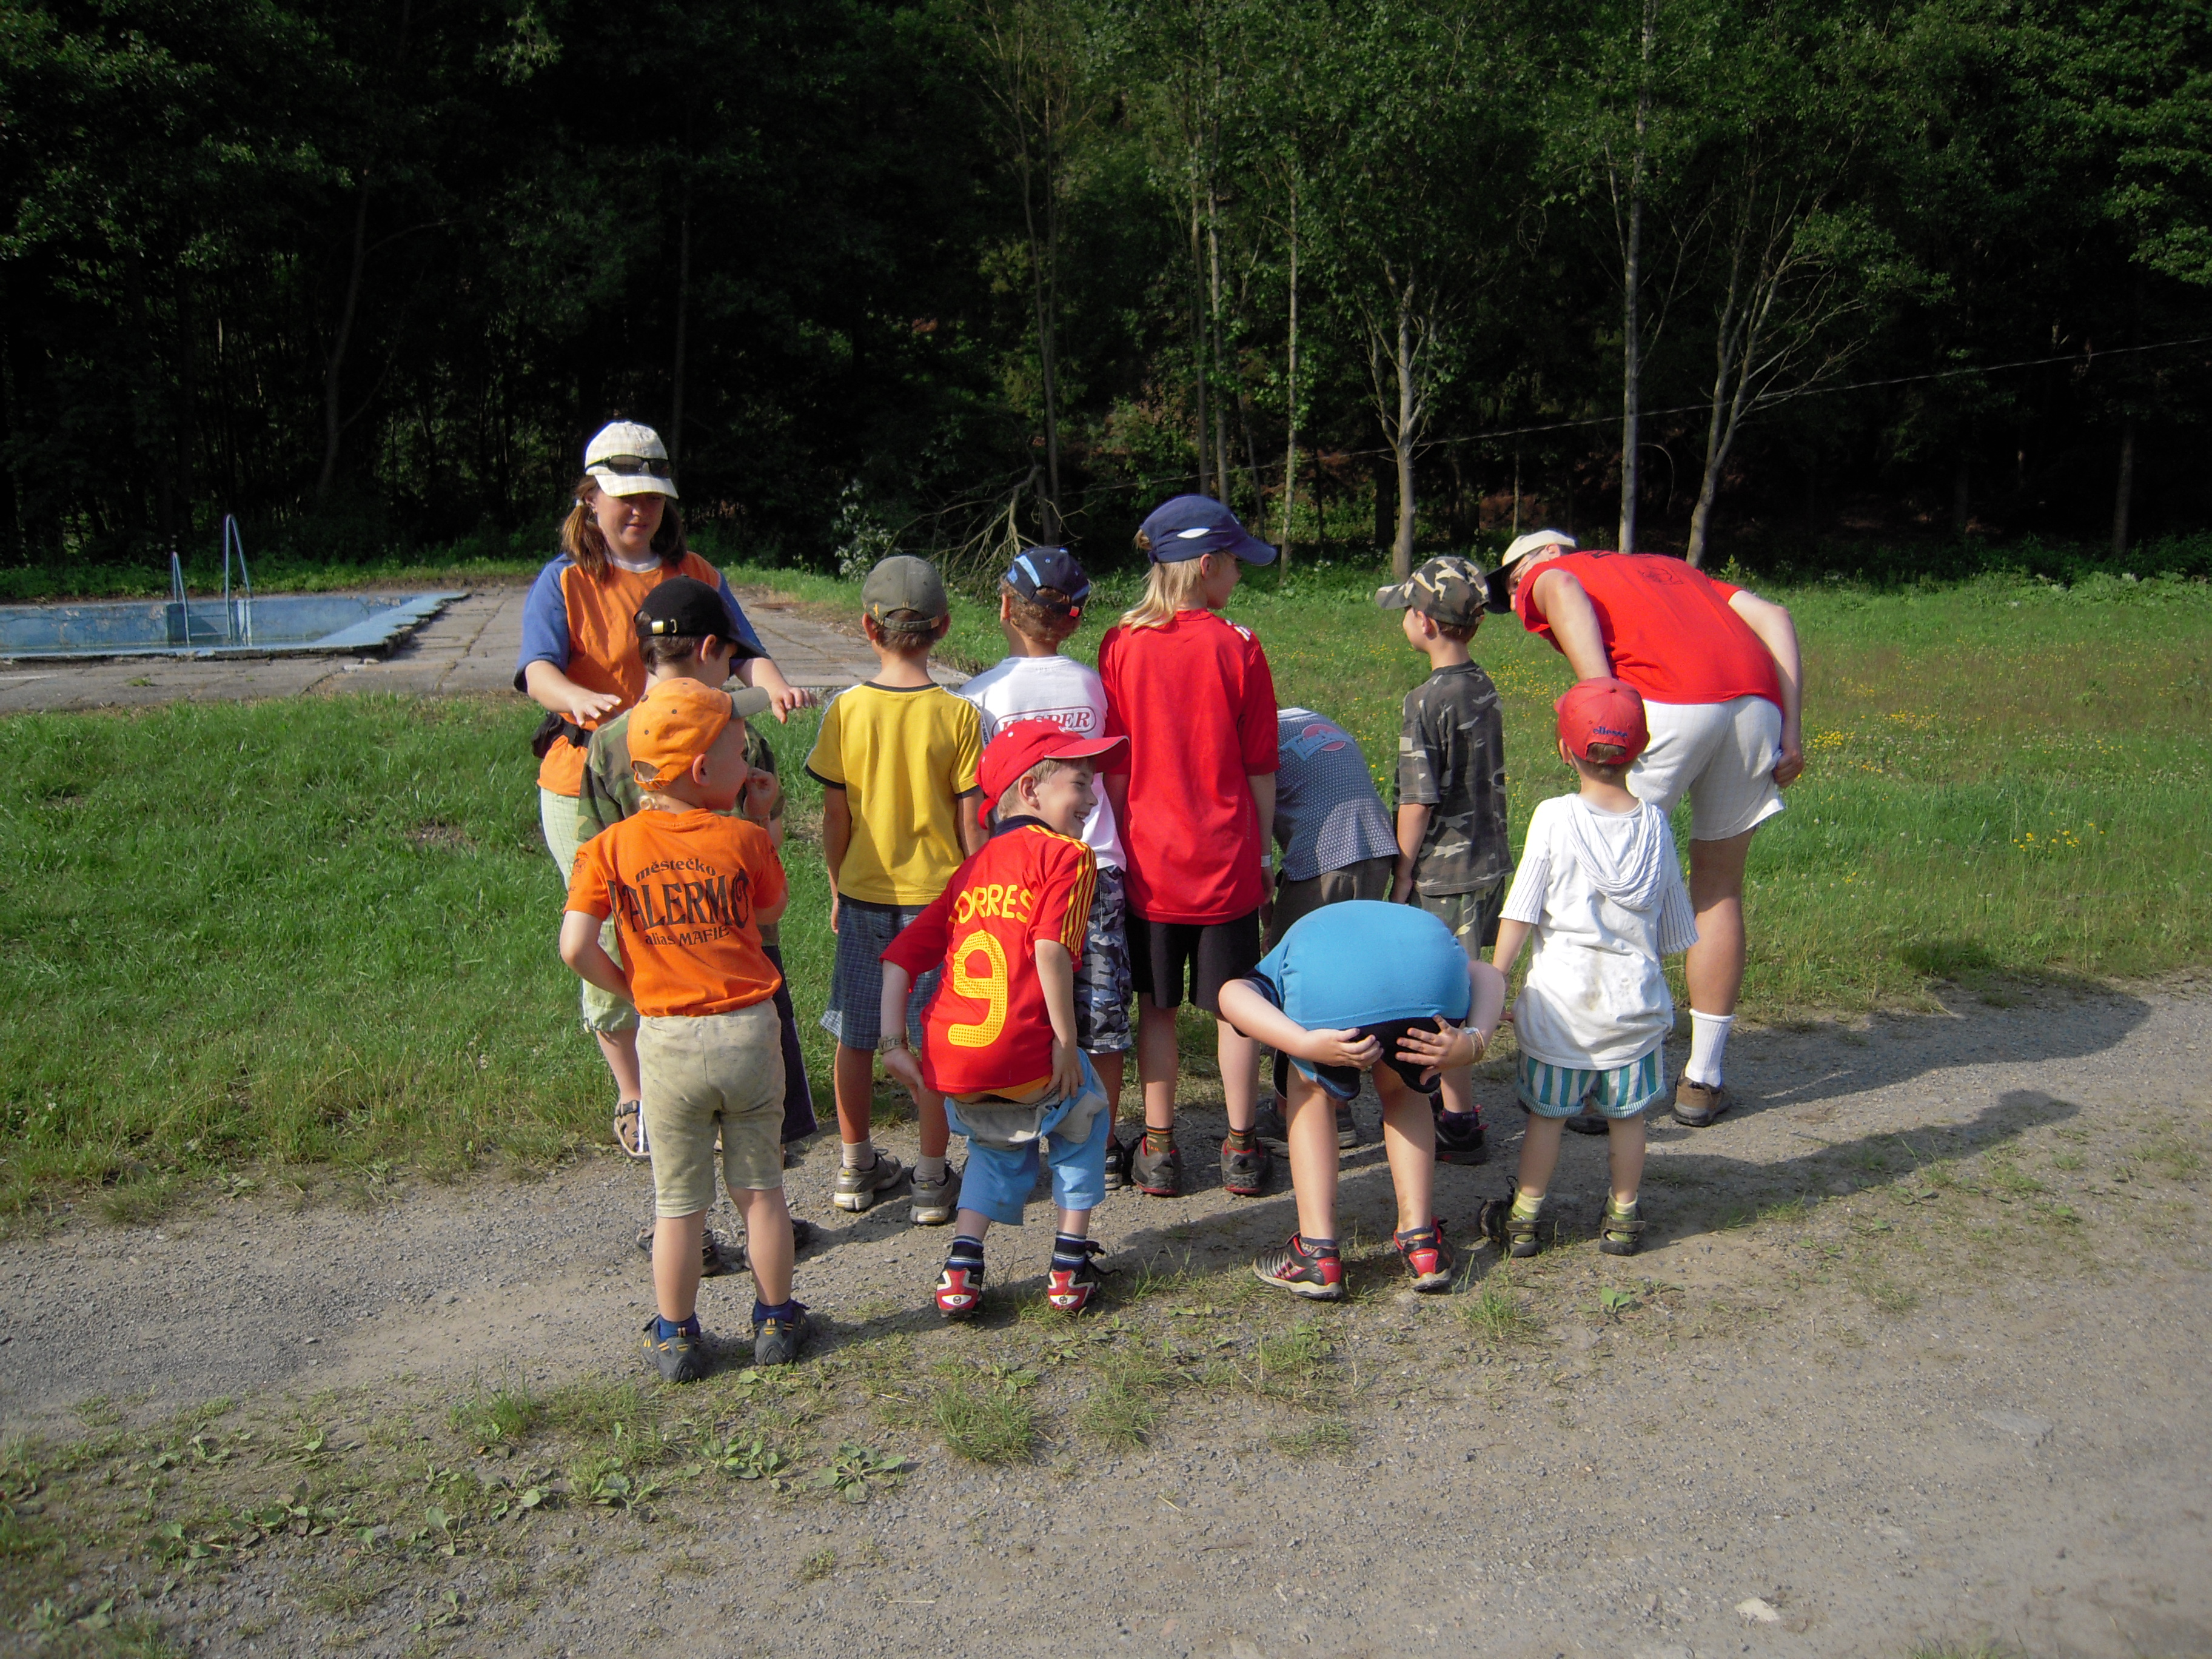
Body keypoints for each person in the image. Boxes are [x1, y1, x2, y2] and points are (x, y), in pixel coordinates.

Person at [518, 420, 809, 1155]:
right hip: (595, 775)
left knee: (698, 920)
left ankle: (713, 1069)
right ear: (590, 498)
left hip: (698, 775)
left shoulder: (695, 570)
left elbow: (741, 649)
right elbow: (537, 668)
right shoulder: (565, 580)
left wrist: (773, 684)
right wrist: (574, 700)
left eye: (651, 496)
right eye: (625, 497)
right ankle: (637, 1092)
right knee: (614, 927)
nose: (640, 510)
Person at [1495, 529, 1802, 1127]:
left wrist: (1606, 701)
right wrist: (1791, 729)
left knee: (1606, 883)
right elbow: (1775, 616)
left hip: (1664, 699)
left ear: (1546, 553)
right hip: (1756, 704)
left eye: (1512, 580)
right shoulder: (1674, 570)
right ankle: (1703, 1079)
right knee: (1719, 888)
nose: (1514, 597)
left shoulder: (1555, 571)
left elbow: (1559, 586)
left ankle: (1594, 1076)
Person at [559, 678, 805, 1377]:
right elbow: (770, 910)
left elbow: (575, 946)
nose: (748, 762)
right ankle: (776, 1322)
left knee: (678, 1204)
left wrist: (633, 988)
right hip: (747, 1031)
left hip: (667, 1040)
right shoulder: (741, 839)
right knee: (761, 1189)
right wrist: (759, 816)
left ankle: (675, 1336)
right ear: (703, 771)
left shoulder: (609, 848)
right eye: (739, 752)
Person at [576, 577, 819, 1275]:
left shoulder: (608, 744)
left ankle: (690, 1236)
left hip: (659, 968)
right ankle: (766, 1228)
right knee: (755, 1121)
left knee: (678, 1131)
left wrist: (629, 981)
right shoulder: (741, 737)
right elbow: (766, 855)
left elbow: (596, 857)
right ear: (714, 649)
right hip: (745, 967)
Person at [879, 719, 1125, 1319]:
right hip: (1022, 1053)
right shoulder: (1068, 854)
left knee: (995, 1146)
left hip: (954, 1063)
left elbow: (899, 957)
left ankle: (961, 1268)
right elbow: (1050, 949)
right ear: (1032, 790)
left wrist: (892, 1044)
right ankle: (1068, 1266)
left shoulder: (974, 868)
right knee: (1085, 1117)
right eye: (1080, 783)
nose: (1093, 798)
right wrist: (1066, 1040)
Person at [1097, 495, 1279, 1201]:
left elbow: (1115, 767)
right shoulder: (1240, 645)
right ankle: (1240, 1147)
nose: (1239, 575)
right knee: (1237, 1007)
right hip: (1226, 863)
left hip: (1149, 865)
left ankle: (1159, 1148)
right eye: (1234, 563)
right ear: (1206, 565)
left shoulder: (1120, 644)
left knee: (1157, 1009)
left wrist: (1119, 847)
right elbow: (1261, 766)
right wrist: (1262, 856)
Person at [1485, 679, 1699, 1261]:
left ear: (1564, 749)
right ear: (1641, 749)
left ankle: (1524, 1220)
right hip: (1633, 1009)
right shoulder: (1655, 824)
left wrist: (1497, 977)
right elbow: (1675, 925)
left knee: (1546, 1119)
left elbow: (1523, 907)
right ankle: (1623, 1217)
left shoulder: (1554, 817)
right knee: (1629, 1121)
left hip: (1562, 1011)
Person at [804, 554, 987, 1224]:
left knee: (856, 1034)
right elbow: (973, 824)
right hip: (940, 903)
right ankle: (933, 1177)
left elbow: (835, 817)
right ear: (943, 627)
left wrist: (836, 886)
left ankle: (855, 1166)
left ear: (867, 627)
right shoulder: (961, 715)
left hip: (864, 896)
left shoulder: (845, 710)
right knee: (933, 1038)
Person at [955, 547, 1138, 1187]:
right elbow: (1114, 776)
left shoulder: (979, 695)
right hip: (1095, 864)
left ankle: (1015, 1141)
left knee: (1025, 1003)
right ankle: (1102, 1146)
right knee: (1102, 1015)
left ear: (1006, 607)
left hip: (1015, 873)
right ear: (1076, 618)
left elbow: (974, 795)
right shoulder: (1092, 685)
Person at [1218, 901, 1506, 1301]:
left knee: (1311, 1090)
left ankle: (1316, 1253)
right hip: (1434, 980)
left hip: (1328, 990)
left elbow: (1231, 994)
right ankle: (1422, 1244)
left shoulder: (1284, 956)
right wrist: (1475, 1042)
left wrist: (1302, 1044)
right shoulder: (1399, 925)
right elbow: (1488, 973)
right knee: (1403, 1090)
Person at [1375, 555, 1511, 1164]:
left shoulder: (1424, 701)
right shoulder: (1483, 685)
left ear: (1426, 623)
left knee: (1447, 995)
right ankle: (1455, 1107)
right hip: (1489, 859)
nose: (1405, 618)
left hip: (1445, 874)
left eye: (1408, 609)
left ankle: (1458, 1119)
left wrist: (1404, 870)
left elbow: (1417, 799)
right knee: (1466, 980)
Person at [1252, 706, 1399, 1156]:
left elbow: (1254, 829)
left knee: (1299, 986)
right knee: (1344, 979)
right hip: (1377, 845)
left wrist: (1267, 913)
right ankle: (1340, 1102)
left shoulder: (1257, 737)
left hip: (1325, 854)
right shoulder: (1309, 718)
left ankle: (1304, 1111)